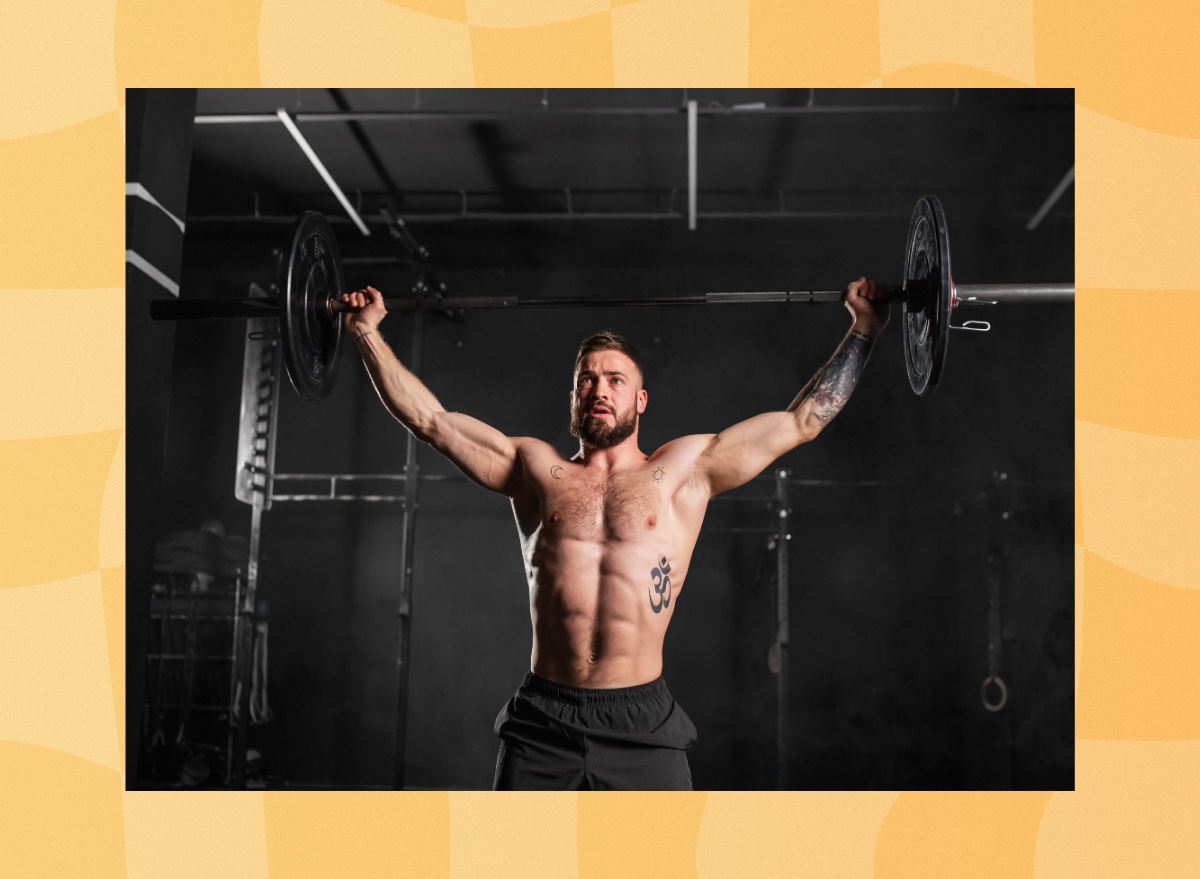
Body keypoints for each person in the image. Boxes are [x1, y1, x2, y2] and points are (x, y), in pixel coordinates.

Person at [340, 279, 890, 790]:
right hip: (543, 719)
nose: (599, 390)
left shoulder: (684, 470)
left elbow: (802, 422)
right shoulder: (534, 470)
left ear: (640, 401)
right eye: (587, 379)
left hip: (642, 721)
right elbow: (431, 421)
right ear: (573, 396)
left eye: (615, 380)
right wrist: (366, 332)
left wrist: (864, 328)